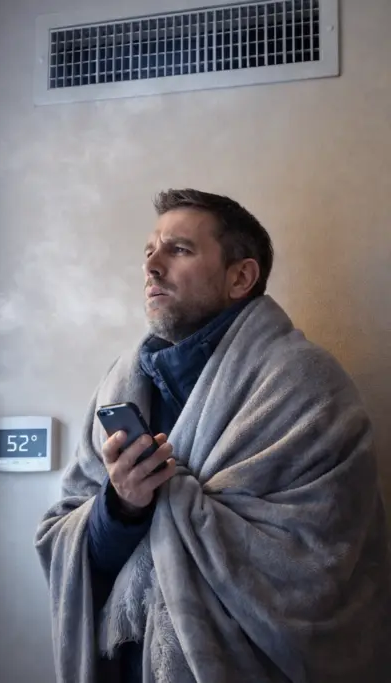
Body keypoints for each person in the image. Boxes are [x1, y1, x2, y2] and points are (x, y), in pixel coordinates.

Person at [35, 189, 391, 683]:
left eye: (178, 250)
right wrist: (121, 507)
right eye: (149, 252)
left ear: (240, 276)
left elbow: (318, 567)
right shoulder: (119, 385)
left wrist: (172, 501)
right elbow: (65, 533)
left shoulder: (306, 385)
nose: (152, 267)